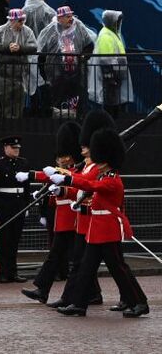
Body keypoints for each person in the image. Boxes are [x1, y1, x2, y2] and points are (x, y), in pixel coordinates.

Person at [49, 127, 149, 318]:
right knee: (86, 269)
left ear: (106, 158)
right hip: (96, 230)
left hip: (108, 230)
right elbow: (89, 195)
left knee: (119, 269)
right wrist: (64, 192)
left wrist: (67, 178)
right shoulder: (103, 175)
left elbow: (90, 185)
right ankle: (79, 304)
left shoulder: (113, 180)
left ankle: (140, 302)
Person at [21, 122, 82, 304]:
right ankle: (43, 289)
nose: (62, 159)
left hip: (74, 218)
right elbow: (49, 175)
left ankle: (45, 289)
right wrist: (31, 175)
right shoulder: (67, 169)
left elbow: (69, 182)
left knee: (75, 259)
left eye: (65, 156)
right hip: (62, 219)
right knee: (61, 256)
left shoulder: (77, 170)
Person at [37, 6, 96, 118]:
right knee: (58, 103)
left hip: (76, 75)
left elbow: (89, 45)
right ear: (60, 18)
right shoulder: (49, 30)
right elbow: (41, 54)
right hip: (56, 76)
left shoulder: (78, 26)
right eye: (67, 16)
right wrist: (44, 74)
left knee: (75, 102)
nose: (71, 19)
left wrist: (83, 57)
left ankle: (76, 124)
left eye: (71, 16)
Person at [0, 135, 29, 283]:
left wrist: (26, 204)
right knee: (4, 241)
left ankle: (13, 271)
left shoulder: (24, 163)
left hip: (18, 205)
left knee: (15, 241)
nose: (16, 150)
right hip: (4, 206)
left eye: (17, 148)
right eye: (13, 148)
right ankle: (2, 272)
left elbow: (27, 187)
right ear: (5, 148)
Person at [0, 8, 39, 118]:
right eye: (19, 20)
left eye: (23, 20)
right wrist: (7, 47)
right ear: (12, 20)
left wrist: (20, 48)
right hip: (3, 73)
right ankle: (7, 126)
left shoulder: (27, 31)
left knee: (19, 102)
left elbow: (34, 47)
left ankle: (17, 126)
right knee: (6, 102)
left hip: (21, 73)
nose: (22, 23)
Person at [89, 10, 131, 118]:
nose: (119, 24)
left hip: (116, 77)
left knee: (115, 106)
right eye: (117, 21)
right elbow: (105, 60)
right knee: (110, 106)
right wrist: (110, 78)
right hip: (110, 79)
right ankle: (110, 127)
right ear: (111, 22)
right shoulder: (106, 36)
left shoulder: (112, 34)